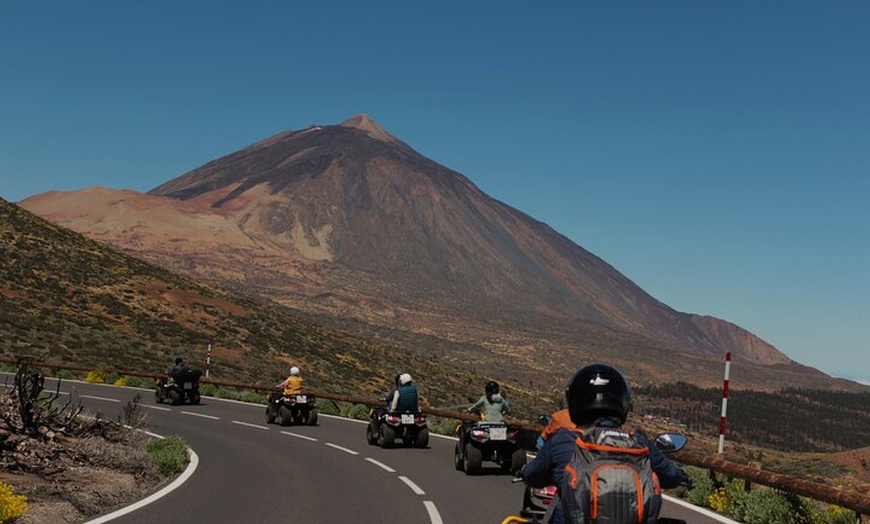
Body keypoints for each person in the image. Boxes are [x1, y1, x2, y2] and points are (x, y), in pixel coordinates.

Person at [521, 363, 689, 524]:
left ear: (574, 402)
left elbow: (532, 475)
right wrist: (681, 475)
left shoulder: (563, 439)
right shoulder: (639, 441)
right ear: (622, 401)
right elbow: (672, 477)